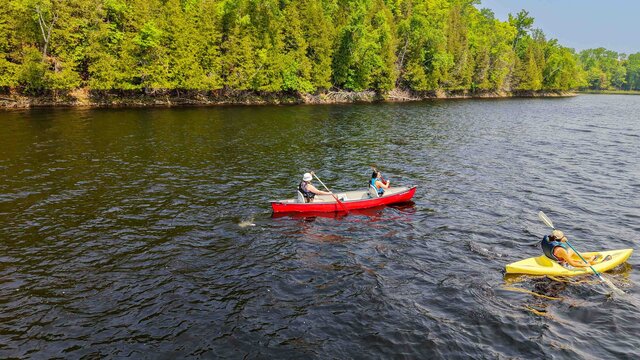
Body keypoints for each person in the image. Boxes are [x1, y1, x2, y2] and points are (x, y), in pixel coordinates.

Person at [541, 230, 607, 267]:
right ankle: (595, 262)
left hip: (550, 256)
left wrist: (561, 239)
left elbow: (555, 239)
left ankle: (589, 257)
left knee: (571, 250)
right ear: (560, 239)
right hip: (560, 262)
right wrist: (585, 265)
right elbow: (573, 264)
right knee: (584, 263)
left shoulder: (548, 238)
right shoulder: (561, 250)